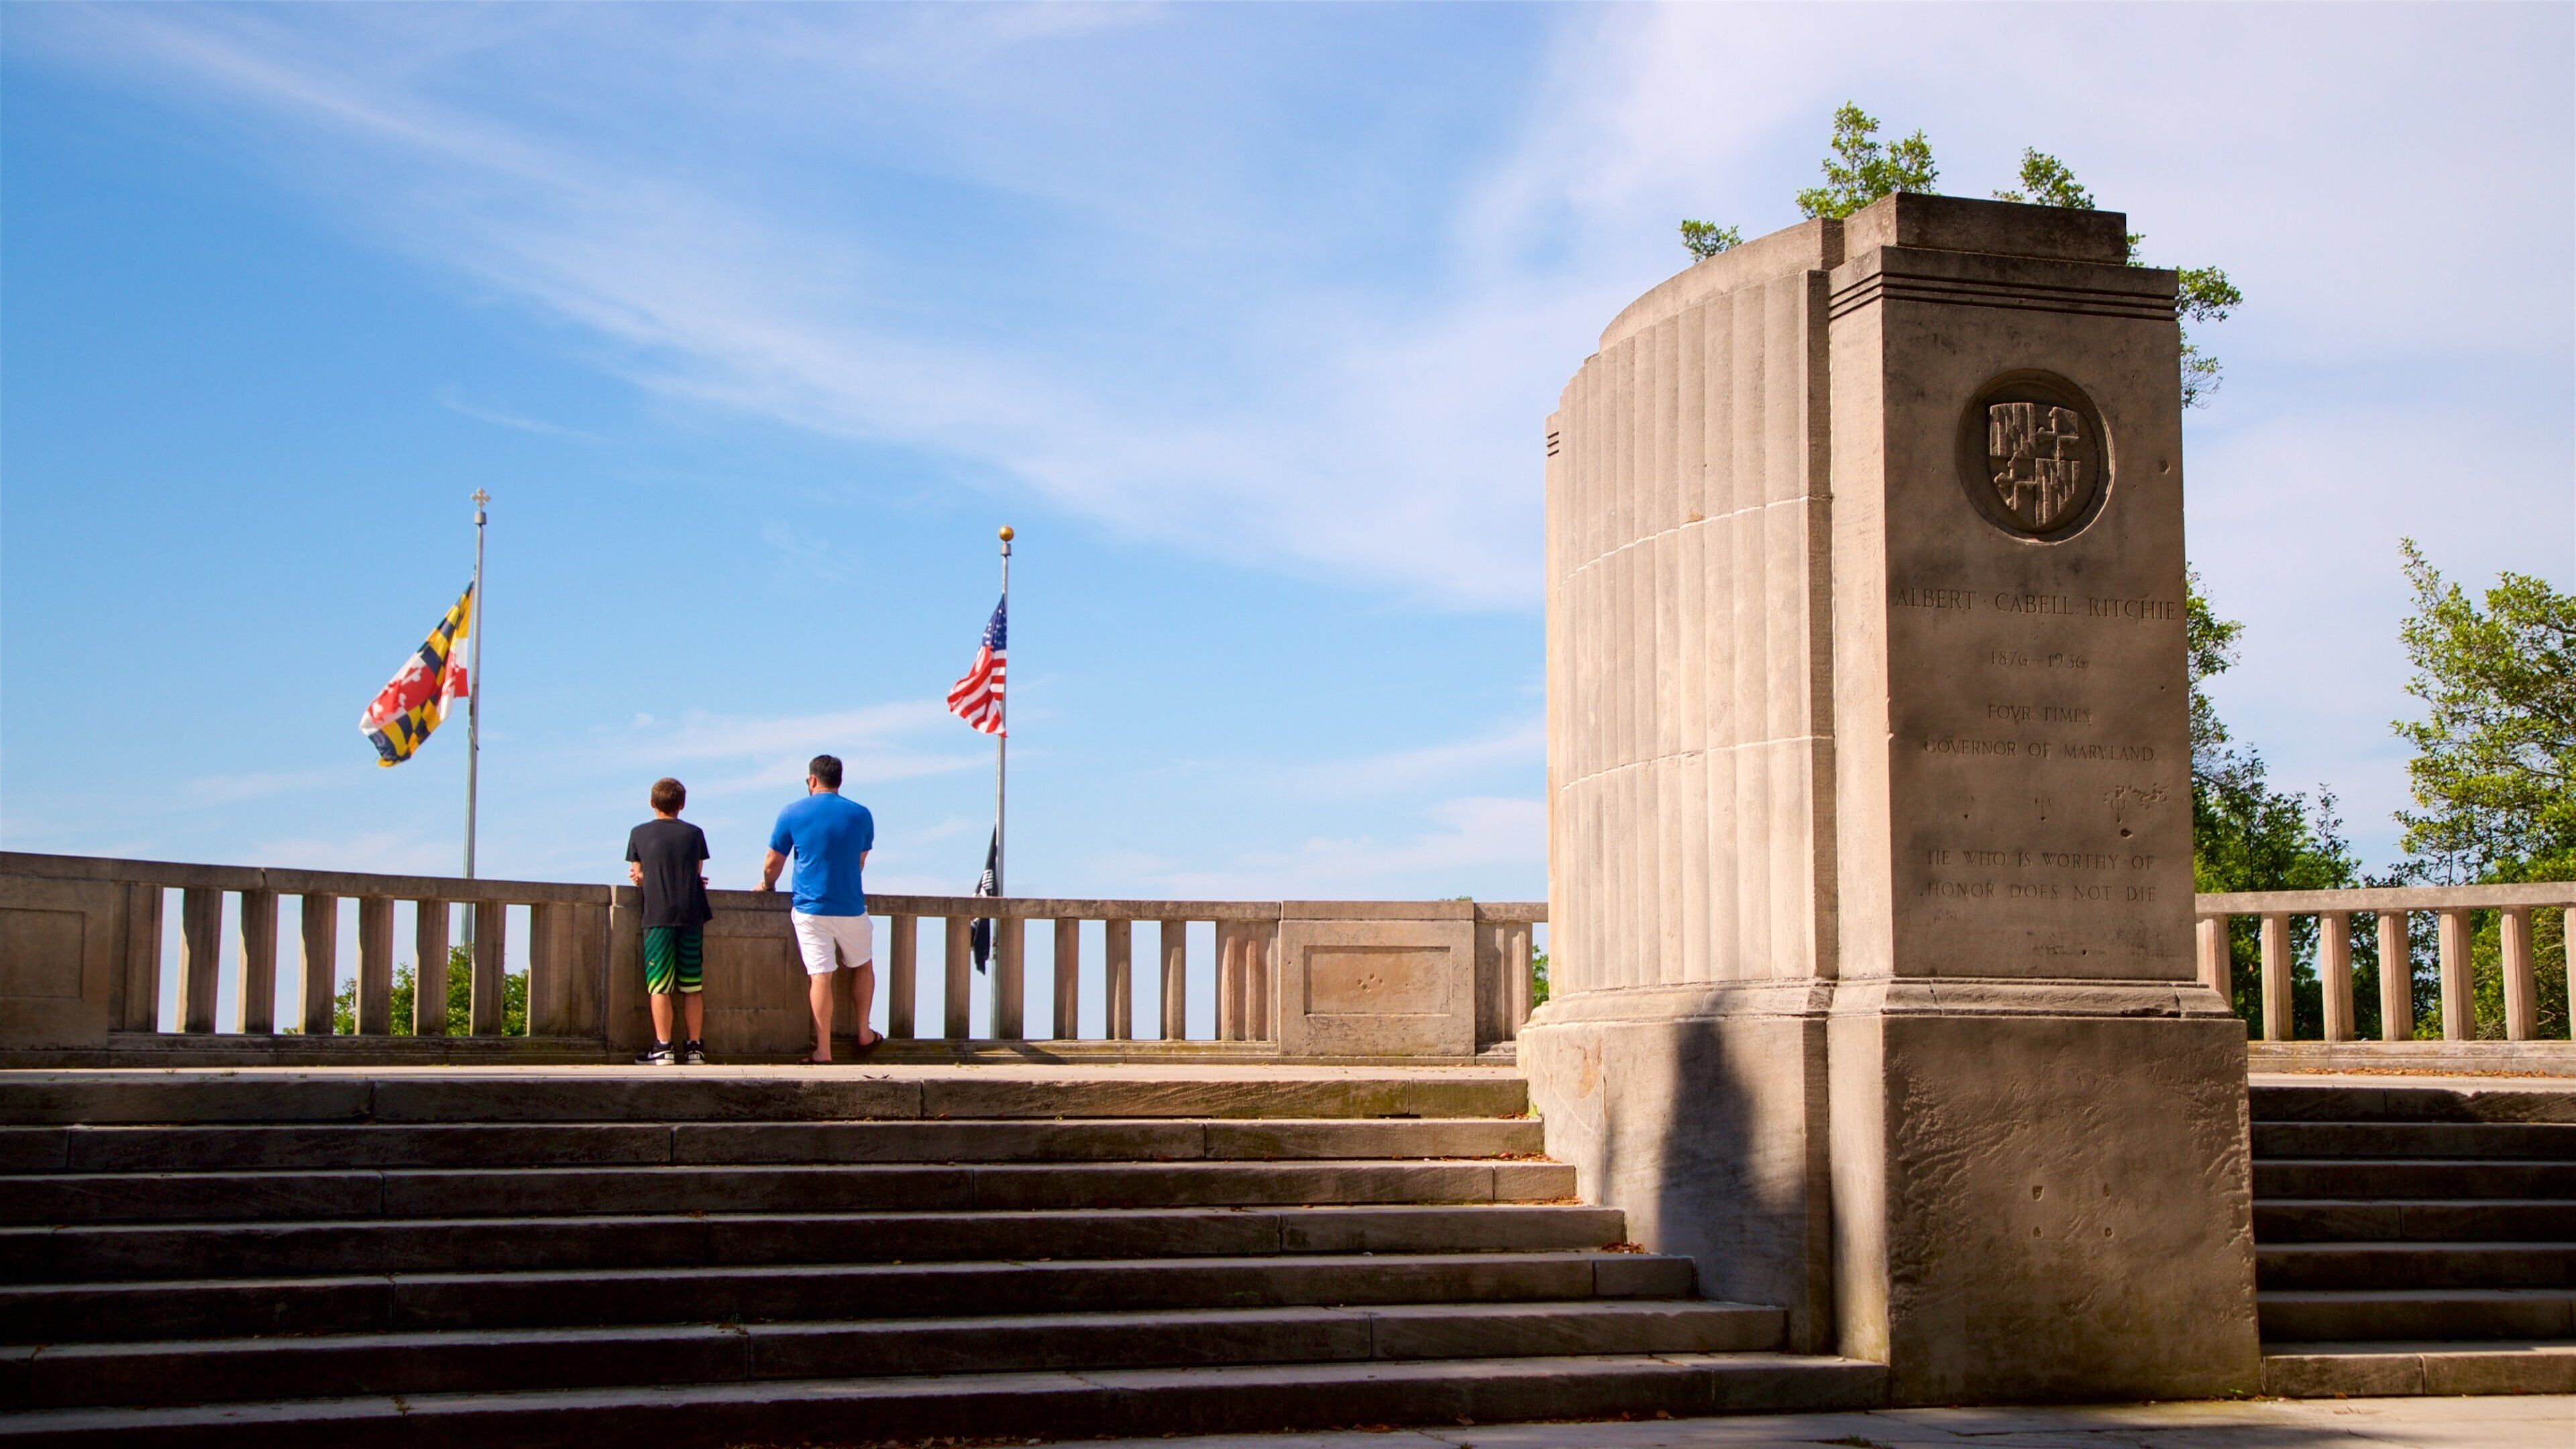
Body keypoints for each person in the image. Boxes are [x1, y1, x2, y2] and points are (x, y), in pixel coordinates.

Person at [759, 753, 881, 1062]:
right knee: (863, 965)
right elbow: (860, 861)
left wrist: (767, 885)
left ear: (812, 780)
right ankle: (864, 1033)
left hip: (810, 907)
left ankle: (823, 1050)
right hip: (851, 905)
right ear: (839, 780)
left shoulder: (792, 812)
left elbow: (773, 862)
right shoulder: (861, 814)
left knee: (820, 976)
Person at [626, 776, 712, 1065]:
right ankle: (694, 1047)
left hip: (658, 914)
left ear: (652, 803)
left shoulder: (639, 833)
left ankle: (663, 1047)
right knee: (692, 985)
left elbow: (639, 875)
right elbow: (696, 871)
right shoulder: (695, 834)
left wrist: (642, 878)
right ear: (682, 805)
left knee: (659, 984)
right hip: (692, 913)